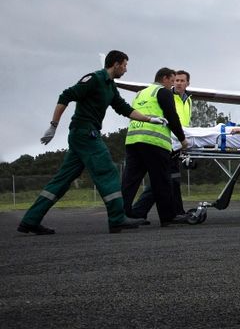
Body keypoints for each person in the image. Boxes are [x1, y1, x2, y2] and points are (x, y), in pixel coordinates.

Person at [17, 50, 167, 235]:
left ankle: (30, 220)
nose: (126, 70)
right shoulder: (94, 79)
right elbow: (66, 96)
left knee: (62, 180)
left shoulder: (110, 86)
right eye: (125, 65)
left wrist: (150, 119)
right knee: (108, 171)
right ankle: (117, 218)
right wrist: (53, 125)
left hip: (85, 135)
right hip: (85, 132)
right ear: (116, 64)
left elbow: (124, 108)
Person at [121, 67, 189, 227]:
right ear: (165, 79)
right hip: (154, 142)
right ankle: (168, 217)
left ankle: (121, 215)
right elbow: (172, 116)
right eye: (172, 81)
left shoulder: (140, 93)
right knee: (162, 181)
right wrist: (182, 139)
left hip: (133, 140)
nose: (172, 85)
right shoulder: (163, 92)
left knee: (130, 181)